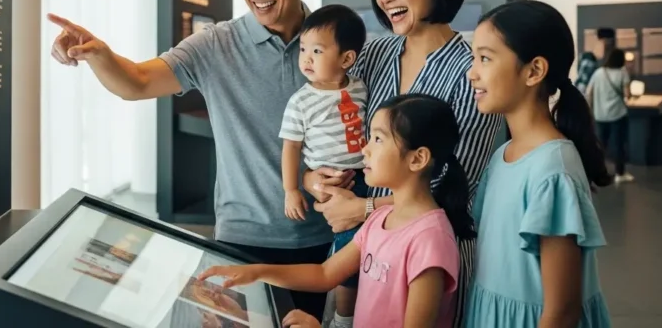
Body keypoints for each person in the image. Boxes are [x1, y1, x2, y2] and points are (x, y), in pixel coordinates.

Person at [46, 0, 334, 318]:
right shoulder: (217, 44)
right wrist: (98, 53)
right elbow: (137, 81)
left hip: (317, 238)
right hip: (240, 238)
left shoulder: (334, 42)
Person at [303, 0, 504, 327]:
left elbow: (449, 183)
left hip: (424, 255)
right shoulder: (373, 53)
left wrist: (361, 209)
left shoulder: (471, 73)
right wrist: (314, 179)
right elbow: (327, 123)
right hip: (360, 248)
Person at [201, 94, 471, 328]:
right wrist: (255, 272)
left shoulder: (430, 240)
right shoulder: (380, 218)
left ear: (417, 158)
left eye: (378, 139)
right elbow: (325, 274)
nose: (364, 149)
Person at [465, 0, 612, 328]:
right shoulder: (502, 155)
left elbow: (561, 311)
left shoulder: (552, 169)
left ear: (534, 70)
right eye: (473, 58)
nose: (471, 73)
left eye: (485, 59)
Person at [279, 4, 368, 328]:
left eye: (317, 50)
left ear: (346, 59)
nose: (306, 58)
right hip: (331, 183)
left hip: (366, 176)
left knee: (367, 248)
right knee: (348, 255)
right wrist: (291, 189)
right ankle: (344, 319)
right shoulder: (301, 101)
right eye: (304, 49)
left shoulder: (360, 87)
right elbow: (291, 147)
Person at [586, 48, 633, 183]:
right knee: (619, 144)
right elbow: (627, 94)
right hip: (618, 114)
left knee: (600, 145)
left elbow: (589, 92)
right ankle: (620, 173)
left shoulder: (599, 72)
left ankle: (597, 172)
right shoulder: (622, 73)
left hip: (600, 115)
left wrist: (590, 109)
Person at [575, 27, 615, 93]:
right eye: (610, 43)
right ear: (605, 41)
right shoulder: (589, 61)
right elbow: (582, 85)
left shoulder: (587, 58)